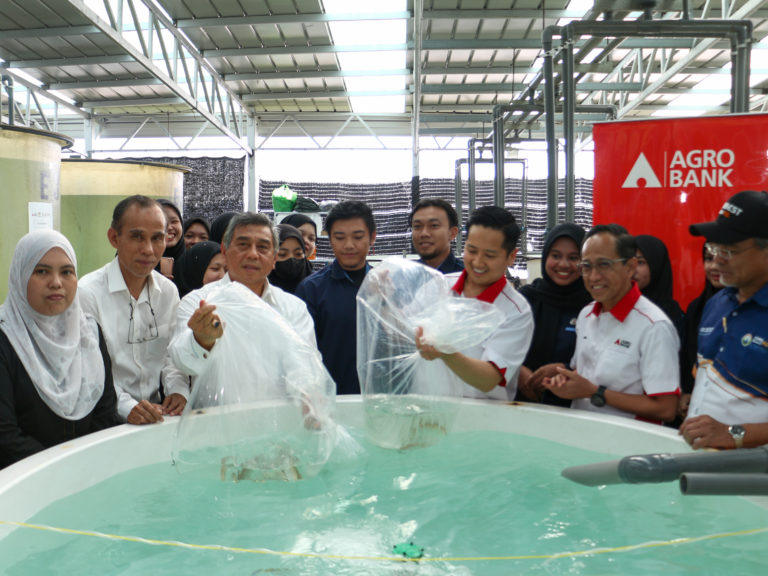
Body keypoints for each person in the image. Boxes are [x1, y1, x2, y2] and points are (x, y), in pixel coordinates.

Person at [0, 230, 119, 468]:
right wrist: (61, 470)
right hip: (23, 477)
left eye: (66, 272)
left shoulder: (88, 333)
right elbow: (5, 435)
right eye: (41, 271)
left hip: (87, 472)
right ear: (21, 276)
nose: (56, 282)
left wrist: (87, 468)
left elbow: (105, 413)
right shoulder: (6, 337)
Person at [542, 224, 680, 423]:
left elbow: (665, 408)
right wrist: (564, 381)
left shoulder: (654, 326)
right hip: (581, 431)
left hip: (628, 439)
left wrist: (594, 392)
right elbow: (585, 374)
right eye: (586, 266)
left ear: (630, 267)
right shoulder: (586, 314)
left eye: (604, 265)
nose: (593, 277)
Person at [79, 195, 190, 425]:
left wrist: (178, 391)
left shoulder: (168, 292)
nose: (148, 249)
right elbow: (88, 371)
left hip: (157, 415)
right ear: (114, 238)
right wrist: (127, 406)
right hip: (105, 420)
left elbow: (172, 355)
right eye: (137, 237)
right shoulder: (88, 293)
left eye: (157, 238)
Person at [171, 212, 316, 375]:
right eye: (243, 245)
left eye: (262, 247)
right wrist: (201, 341)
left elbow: (307, 369)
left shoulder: (293, 309)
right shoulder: (199, 303)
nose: (253, 254)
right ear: (224, 250)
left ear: (274, 258)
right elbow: (180, 363)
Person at [415, 205, 534, 400]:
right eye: (472, 250)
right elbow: (402, 331)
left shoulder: (516, 311)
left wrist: (446, 353)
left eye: (490, 255)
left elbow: (489, 380)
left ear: (511, 256)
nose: (478, 262)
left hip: (481, 416)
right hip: (428, 410)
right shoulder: (436, 287)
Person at [680, 190, 768, 450]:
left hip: (754, 471)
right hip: (700, 460)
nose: (717, 260)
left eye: (729, 250)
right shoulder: (717, 303)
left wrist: (735, 433)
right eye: (714, 248)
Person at [295, 201, 376, 395]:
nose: (349, 245)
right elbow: (301, 354)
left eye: (358, 237)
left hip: (378, 398)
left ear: (372, 237)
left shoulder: (385, 286)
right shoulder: (311, 290)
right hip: (331, 399)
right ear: (330, 239)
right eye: (339, 237)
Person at [516, 223, 592, 406]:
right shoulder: (525, 299)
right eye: (556, 256)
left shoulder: (593, 305)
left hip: (573, 408)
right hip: (520, 404)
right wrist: (517, 371)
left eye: (573, 258)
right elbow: (500, 346)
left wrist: (566, 370)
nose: (564, 264)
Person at [678, 243, 724, 419]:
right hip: (697, 411)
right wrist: (687, 392)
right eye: (708, 259)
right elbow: (689, 358)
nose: (714, 266)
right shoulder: (697, 308)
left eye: (723, 258)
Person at [633, 234, 685, 338]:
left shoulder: (672, 317)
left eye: (640, 262)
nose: (632, 269)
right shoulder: (615, 309)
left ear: (656, 266)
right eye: (628, 262)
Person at [409, 198, 464, 274]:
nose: (424, 233)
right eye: (417, 226)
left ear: (452, 233)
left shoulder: (468, 276)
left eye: (434, 225)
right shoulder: (404, 276)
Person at [268, 224, 314, 294]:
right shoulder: (257, 290)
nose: (292, 260)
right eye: (282, 254)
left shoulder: (316, 288)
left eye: (298, 254)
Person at [157, 199, 185, 282]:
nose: (169, 227)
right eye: (162, 222)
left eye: (174, 221)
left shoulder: (192, 262)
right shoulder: (140, 264)